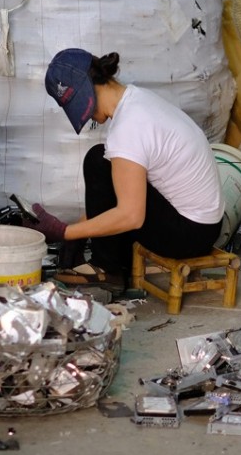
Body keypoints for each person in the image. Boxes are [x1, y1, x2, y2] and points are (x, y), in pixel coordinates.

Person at [24, 48, 224, 290]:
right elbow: (118, 190)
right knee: (101, 160)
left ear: (87, 90)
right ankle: (117, 260)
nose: (85, 118)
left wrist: (65, 232)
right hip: (206, 226)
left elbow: (131, 215)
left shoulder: (128, 127)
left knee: (97, 162)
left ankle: (108, 269)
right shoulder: (137, 100)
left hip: (187, 235)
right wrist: (78, 234)